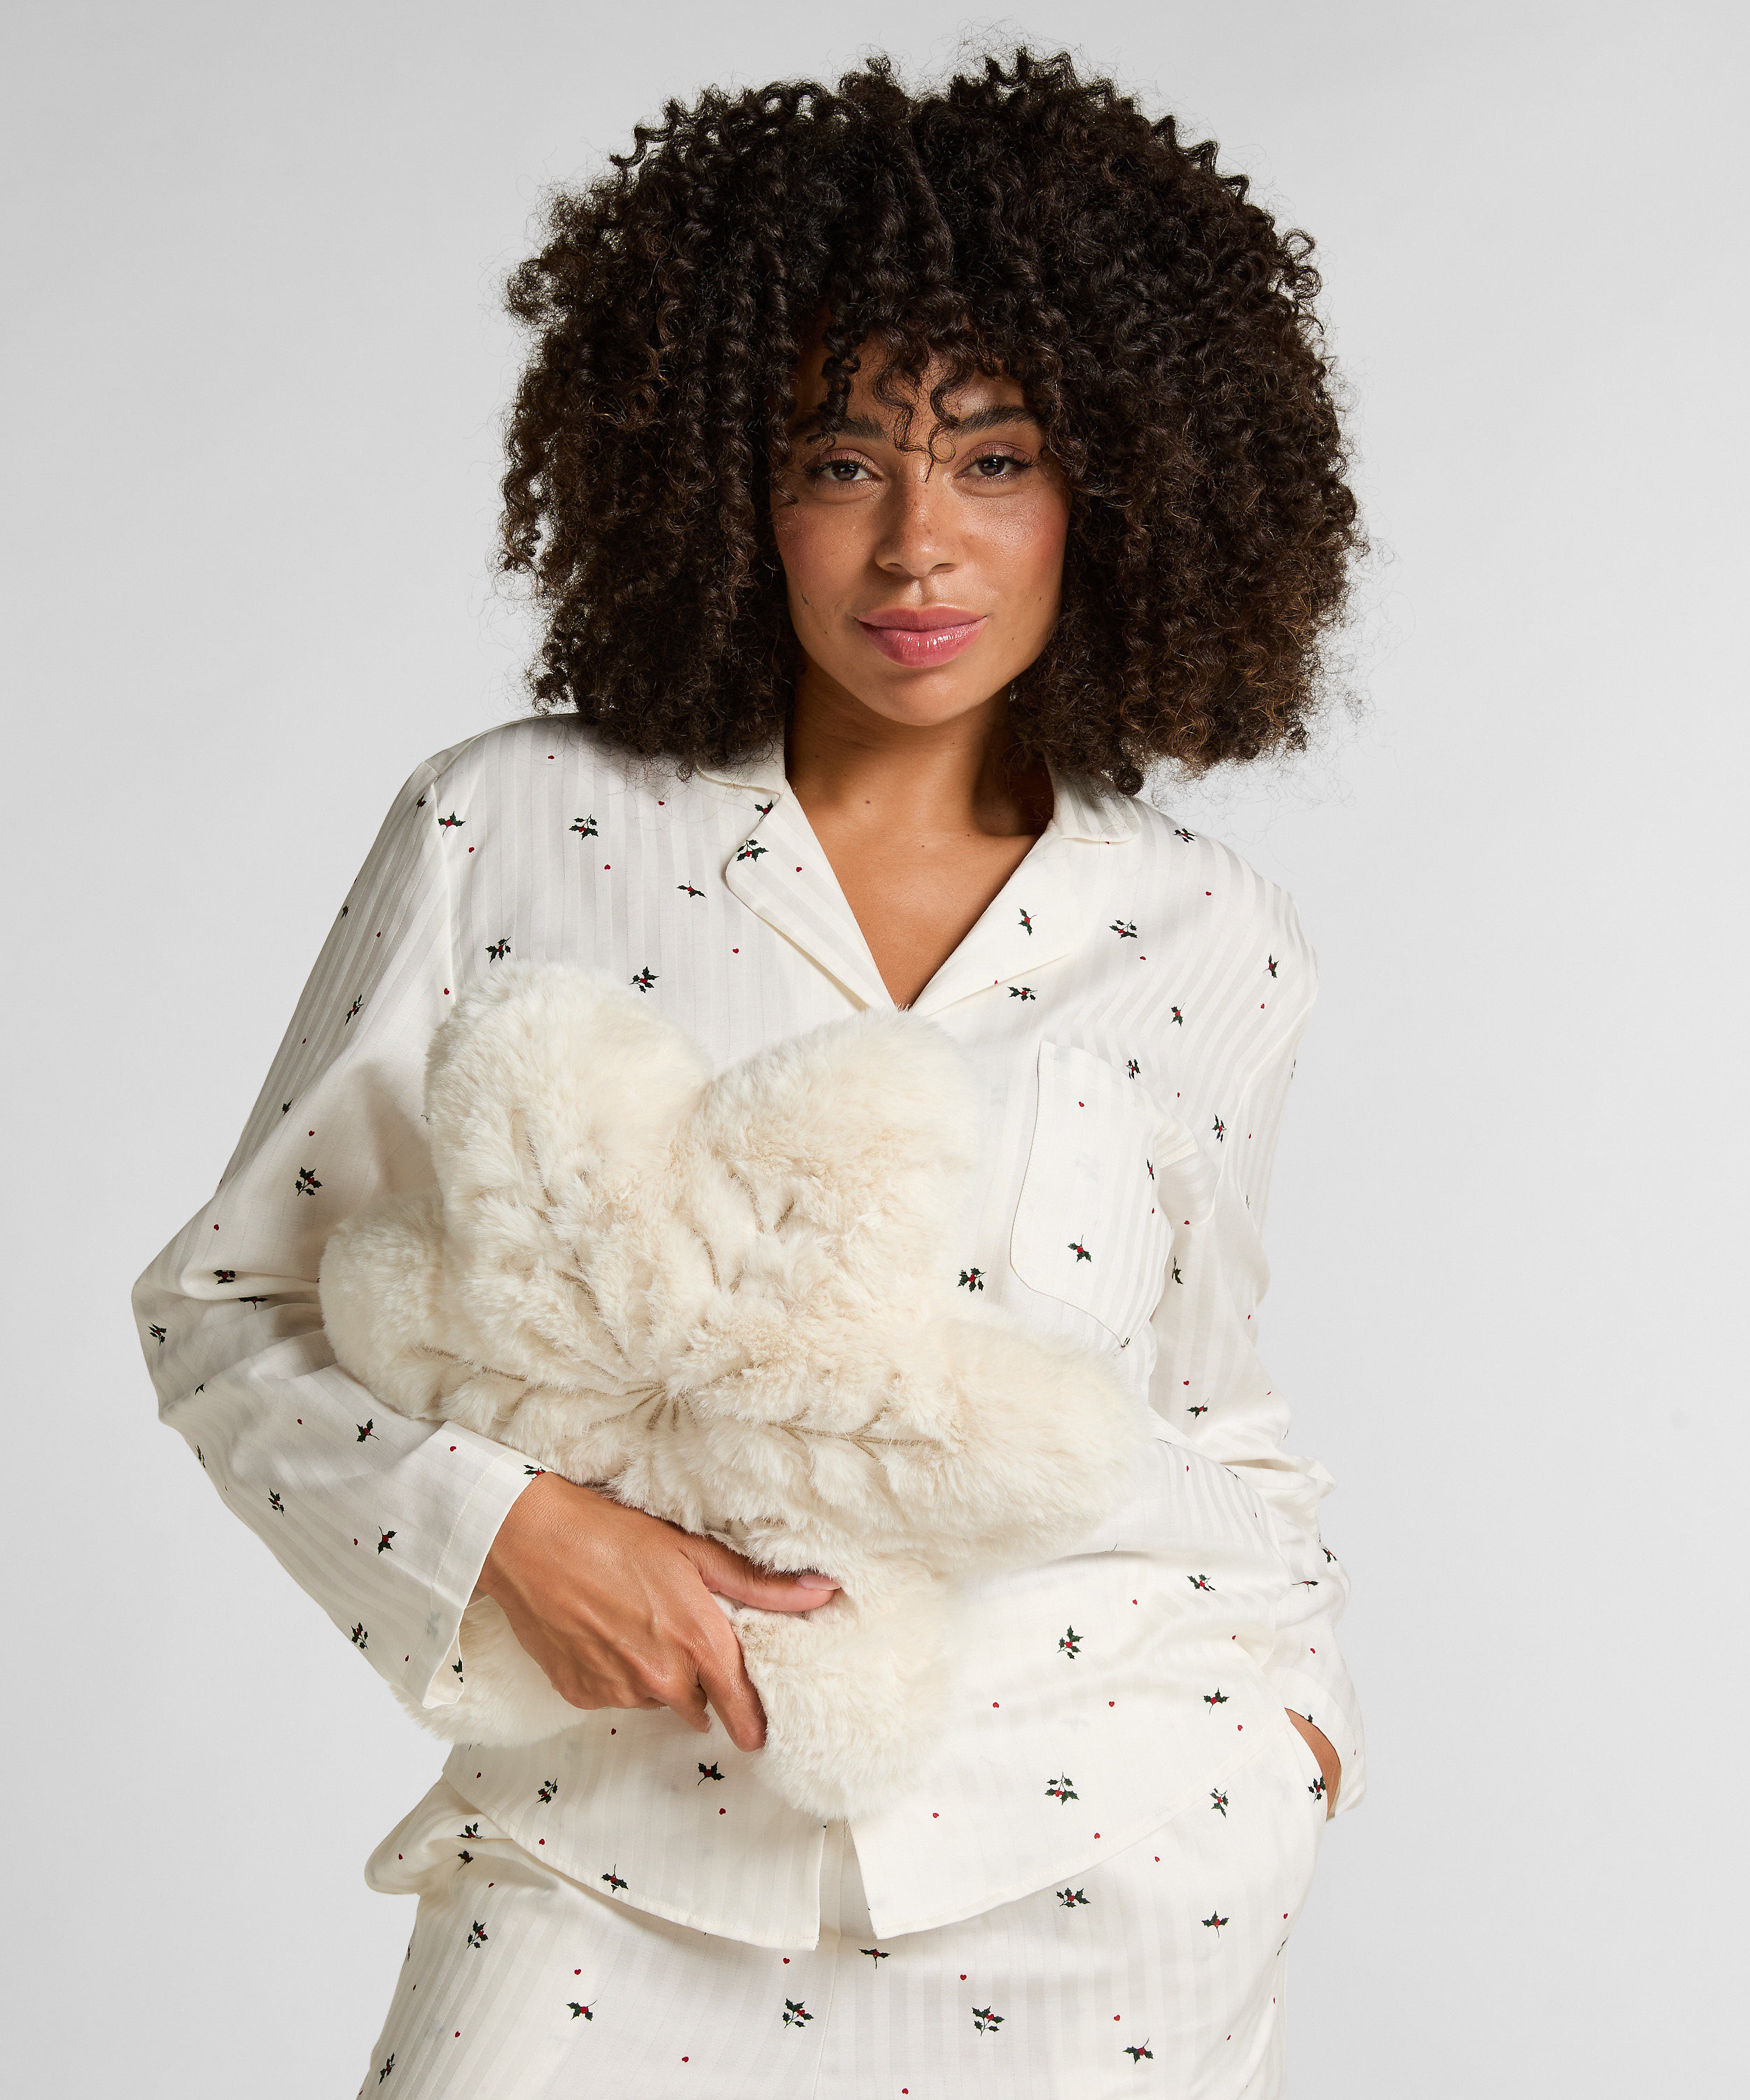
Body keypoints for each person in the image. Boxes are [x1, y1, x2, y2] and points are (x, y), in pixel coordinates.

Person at [133, 48, 1365, 2099]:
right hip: (613, 1847)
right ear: (721, 487)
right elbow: (227, 1308)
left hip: (1114, 1863)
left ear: (1122, 488)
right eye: (838, 461)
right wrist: (501, 1529)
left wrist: (1301, 1732)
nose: (914, 547)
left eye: (995, 461)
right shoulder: (510, 826)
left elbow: (1205, 1404)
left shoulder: (1210, 936)